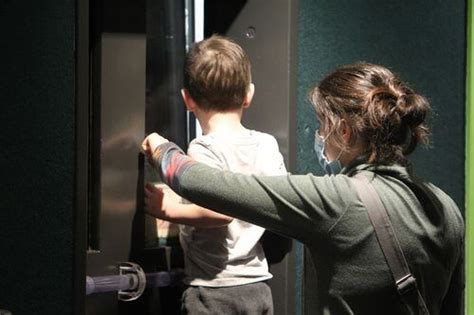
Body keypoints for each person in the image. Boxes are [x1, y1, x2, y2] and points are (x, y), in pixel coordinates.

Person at [143, 62, 464, 314]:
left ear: (344, 131)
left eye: (322, 124)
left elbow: (196, 181)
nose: (320, 134)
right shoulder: (446, 208)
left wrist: (160, 148)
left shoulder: (335, 200)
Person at [144, 35, 287, 314]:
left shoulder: (204, 147)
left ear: (187, 99)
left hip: (214, 289)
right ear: (249, 95)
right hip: (257, 286)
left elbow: (220, 212)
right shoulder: (266, 144)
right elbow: (280, 199)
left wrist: (168, 210)